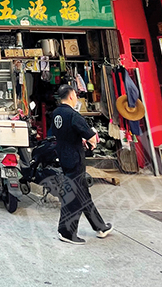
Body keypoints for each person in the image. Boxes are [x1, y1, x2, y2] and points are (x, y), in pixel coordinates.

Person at [48, 83, 112, 245]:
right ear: (71, 96)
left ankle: (100, 226)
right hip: (75, 159)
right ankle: (66, 232)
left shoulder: (56, 113)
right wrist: (91, 141)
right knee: (74, 195)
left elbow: (56, 133)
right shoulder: (73, 115)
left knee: (83, 194)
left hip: (63, 156)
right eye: (75, 95)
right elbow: (91, 137)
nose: (76, 97)